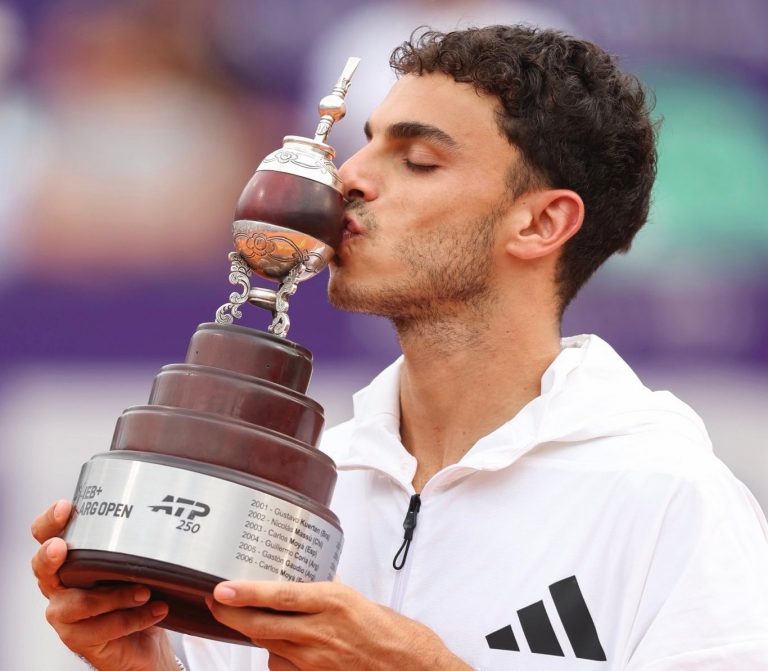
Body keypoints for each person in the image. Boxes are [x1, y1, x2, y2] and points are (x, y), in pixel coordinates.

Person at [31, 25, 768, 670]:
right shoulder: (306, 487)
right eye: (366, 144)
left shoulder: (669, 496)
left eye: (416, 160)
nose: (349, 177)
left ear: (542, 224)